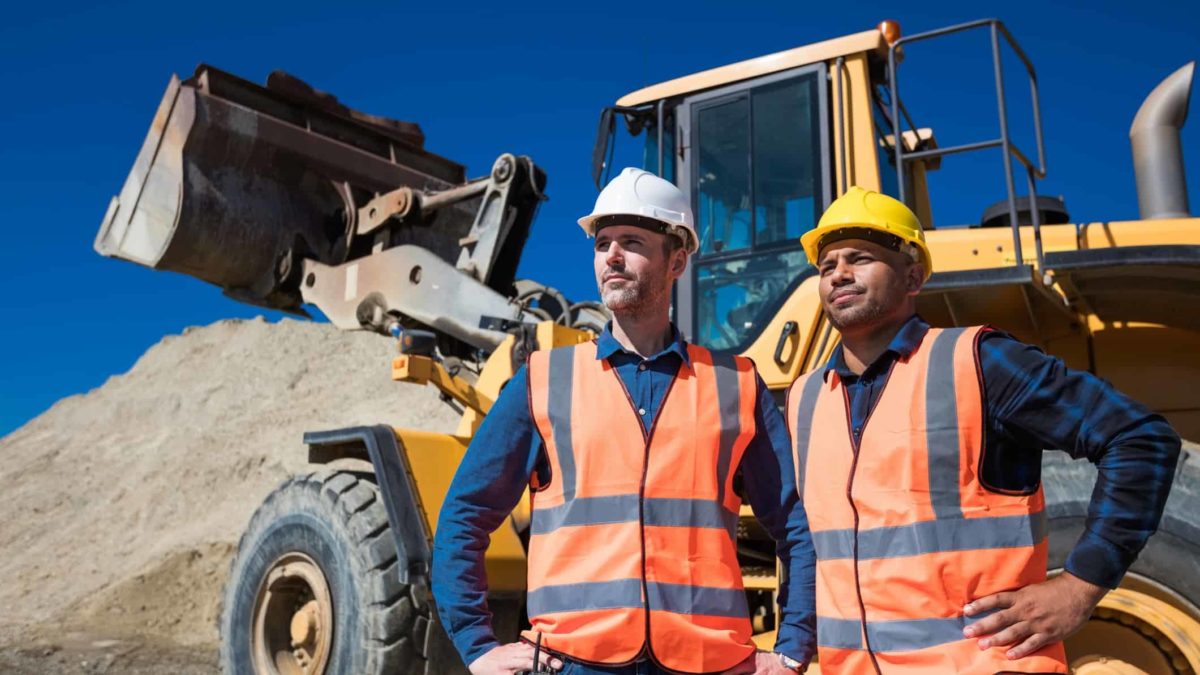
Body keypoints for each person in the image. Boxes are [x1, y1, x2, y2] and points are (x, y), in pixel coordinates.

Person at [432, 168, 816, 675]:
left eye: (631, 242)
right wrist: (477, 645)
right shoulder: (544, 380)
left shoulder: (736, 385)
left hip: (705, 663)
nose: (611, 255)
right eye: (602, 243)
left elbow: (795, 524)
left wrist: (792, 647)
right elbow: (465, 513)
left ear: (676, 259)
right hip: (574, 663)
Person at [786, 186, 1180, 674]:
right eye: (826, 266)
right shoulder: (804, 400)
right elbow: (811, 542)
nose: (838, 273)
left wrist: (1079, 588)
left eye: (860, 258)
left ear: (913, 276)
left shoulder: (978, 361)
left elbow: (1140, 438)